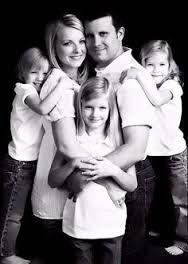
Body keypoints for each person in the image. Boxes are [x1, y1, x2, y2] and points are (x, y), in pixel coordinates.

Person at [60, 9, 156, 261]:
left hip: (128, 172)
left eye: (104, 34)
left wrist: (85, 174)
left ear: (120, 34)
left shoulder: (131, 79)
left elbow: (135, 149)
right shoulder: (98, 71)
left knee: (125, 256)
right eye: (89, 36)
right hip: (101, 174)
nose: (95, 43)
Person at [48, 76, 137, 264]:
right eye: (88, 107)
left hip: (112, 224)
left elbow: (132, 184)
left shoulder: (119, 143)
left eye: (102, 107)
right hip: (79, 225)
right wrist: (72, 164)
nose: (95, 114)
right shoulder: (72, 141)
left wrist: (112, 169)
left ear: (110, 109)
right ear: (80, 106)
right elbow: (52, 180)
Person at [30, 13, 88, 264]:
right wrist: (108, 176)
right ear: (53, 48)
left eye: (82, 41)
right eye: (68, 43)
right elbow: (65, 145)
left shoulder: (71, 80)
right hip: (55, 201)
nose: (78, 49)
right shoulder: (60, 84)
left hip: (62, 190)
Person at [0, 47, 67, 264]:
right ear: (23, 73)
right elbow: (43, 109)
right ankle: (6, 256)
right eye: (34, 72)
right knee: (12, 213)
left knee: (20, 214)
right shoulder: (24, 89)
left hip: (27, 162)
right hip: (18, 163)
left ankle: (14, 250)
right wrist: (63, 84)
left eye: (45, 73)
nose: (40, 78)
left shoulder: (35, 89)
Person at [132, 39, 187, 256]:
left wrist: (137, 74)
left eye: (162, 65)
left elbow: (156, 100)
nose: (156, 70)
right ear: (143, 63)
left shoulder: (171, 85)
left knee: (180, 199)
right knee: (156, 195)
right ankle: (160, 229)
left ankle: (183, 241)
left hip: (174, 152)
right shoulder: (147, 86)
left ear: (170, 65)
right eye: (150, 64)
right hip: (152, 151)